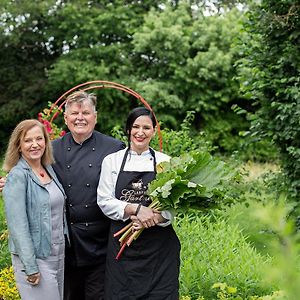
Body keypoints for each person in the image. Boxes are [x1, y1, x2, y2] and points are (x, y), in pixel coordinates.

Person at [97, 107, 181, 300]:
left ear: (154, 130)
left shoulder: (165, 162)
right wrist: (135, 209)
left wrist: (154, 217)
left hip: (159, 251)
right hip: (122, 249)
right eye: (135, 127)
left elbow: (173, 204)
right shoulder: (112, 161)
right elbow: (104, 200)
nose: (140, 132)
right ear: (128, 130)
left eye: (146, 127)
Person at [51, 91, 125, 300]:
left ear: (95, 116)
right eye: (74, 113)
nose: (80, 118)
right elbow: (33, 177)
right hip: (66, 242)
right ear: (66, 118)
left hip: (101, 241)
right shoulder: (52, 149)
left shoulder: (114, 148)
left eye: (86, 112)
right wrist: (10, 181)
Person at [2, 119, 68, 300]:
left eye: (39, 139)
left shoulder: (48, 169)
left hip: (57, 255)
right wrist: (30, 267)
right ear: (18, 146)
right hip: (35, 259)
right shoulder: (17, 176)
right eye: (28, 140)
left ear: (46, 142)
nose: (34, 144)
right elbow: (18, 227)